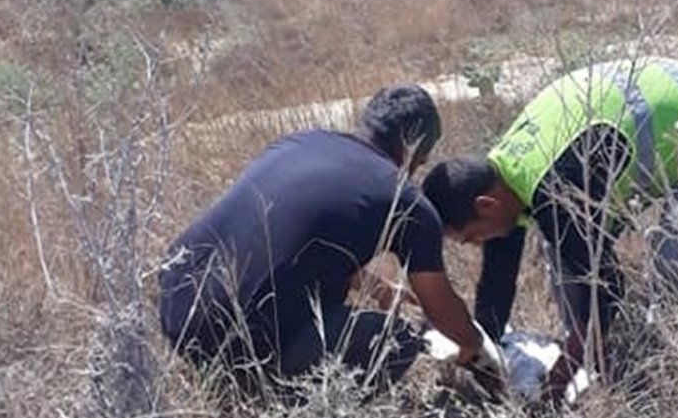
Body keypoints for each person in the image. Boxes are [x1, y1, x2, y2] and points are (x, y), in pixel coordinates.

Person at [422, 57, 678, 404]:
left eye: (472, 237)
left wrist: (563, 373)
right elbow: (498, 279)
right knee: (565, 253)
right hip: (644, 123)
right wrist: (482, 356)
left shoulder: (553, 189)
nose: (477, 245)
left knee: (671, 255)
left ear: (485, 205)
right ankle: (603, 357)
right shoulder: (503, 177)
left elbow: (606, 283)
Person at [159, 84, 492, 399]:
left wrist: (378, 288)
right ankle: (282, 404)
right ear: (417, 151)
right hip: (237, 341)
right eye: (419, 162)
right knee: (397, 341)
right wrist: (477, 345)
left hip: (176, 306)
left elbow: (296, 239)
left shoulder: (300, 143)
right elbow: (440, 308)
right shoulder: (405, 201)